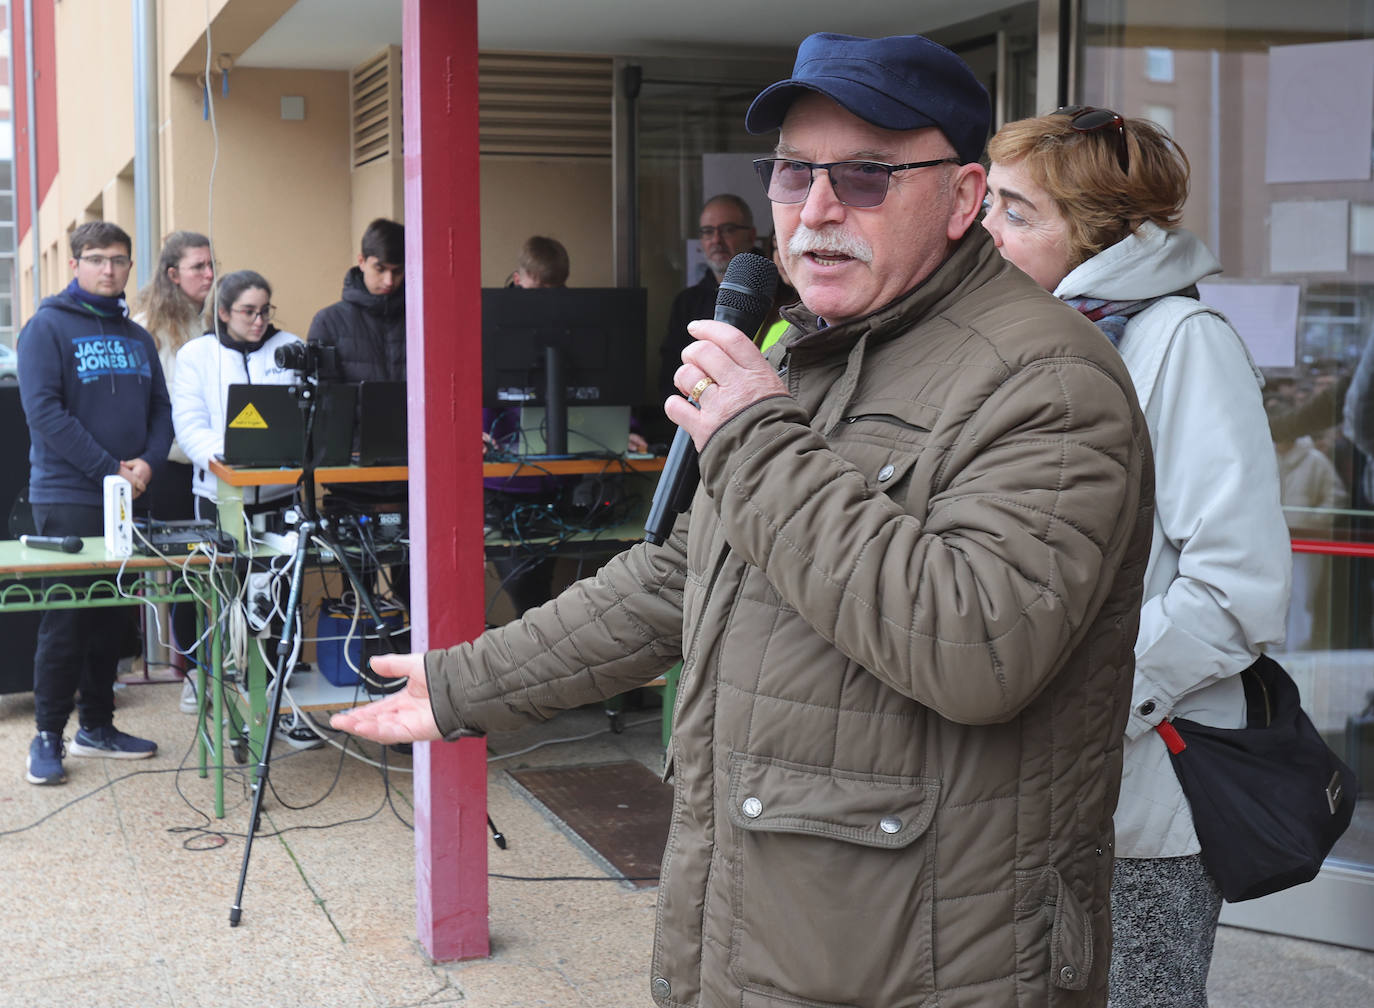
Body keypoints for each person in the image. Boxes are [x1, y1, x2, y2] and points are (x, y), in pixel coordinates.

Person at [335, 33, 1155, 1008]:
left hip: (928, 961)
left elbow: (979, 645)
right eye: (793, 173)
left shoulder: (1045, 379)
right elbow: (681, 577)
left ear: (965, 196)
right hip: (766, 935)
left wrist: (760, 434)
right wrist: (470, 681)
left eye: (865, 176)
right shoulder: (823, 353)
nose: (815, 210)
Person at [984, 109, 1291, 1006]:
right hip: (1027, 783)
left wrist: (1086, 703)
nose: (985, 229)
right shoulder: (1031, 336)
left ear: (1094, 232)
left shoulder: (1182, 343)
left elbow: (1236, 589)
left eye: (1015, 211)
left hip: (1138, 793)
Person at [17, 220, 173, 785]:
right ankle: (46, 735)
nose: (109, 269)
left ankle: (99, 728)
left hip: (127, 495)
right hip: (69, 496)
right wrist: (113, 471)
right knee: (68, 619)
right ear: (75, 265)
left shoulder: (139, 338)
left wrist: (149, 465)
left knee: (111, 619)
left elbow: (161, 411)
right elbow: (44, 414)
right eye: (97, 259)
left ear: (130, 268)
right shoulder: (46, 329)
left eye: (119, 260)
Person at [133, 230, 213, 702]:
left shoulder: (213, 319)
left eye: (210, 265)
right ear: (171, 274)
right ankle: (194, 674)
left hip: (215, 468)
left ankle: (225, 667)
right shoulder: (150, 327)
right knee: (188, 573)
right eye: (197, 267)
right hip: (172, 468)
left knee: (217, 572)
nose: (208, 274)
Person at [171, 270, 302, 522]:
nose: (259, 320)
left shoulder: (292, 348)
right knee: (229, 562)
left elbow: (306, 417)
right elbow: (190, 427)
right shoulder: (196, 354)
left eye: (265, 310)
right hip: (219, 493)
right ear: (224, 313)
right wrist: (236, 456)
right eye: (248, 311)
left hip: (282, 492)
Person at [654, 193, 757, 400]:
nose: (716, 240)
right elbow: (670, 375)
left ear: (751, 236)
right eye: (708, 232)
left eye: (728, 230)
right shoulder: (687, 303)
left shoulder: (780, 295)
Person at [307, 217, 405, 382]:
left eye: (397, 271)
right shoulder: (328, 322)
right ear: (362, 262)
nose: (389, 281)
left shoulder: (423, 319)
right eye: (380, 269)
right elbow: (325, 399)